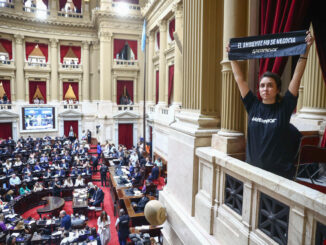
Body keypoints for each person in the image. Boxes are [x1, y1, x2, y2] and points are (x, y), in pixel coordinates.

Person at [227, 31, 314, 179]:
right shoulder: (253, 105)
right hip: (252, 173)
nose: (265, 89)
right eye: (262, 86)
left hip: (277, 175)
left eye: (269, 85)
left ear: (277, 89)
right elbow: (239, 79)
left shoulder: (284, 108)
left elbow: (296, 78)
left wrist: (306, 50)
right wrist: (232, 57)